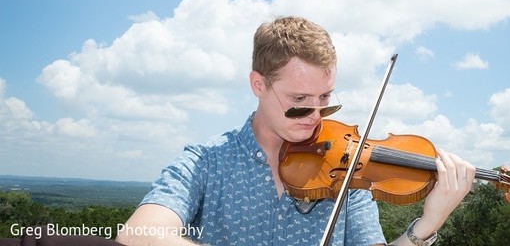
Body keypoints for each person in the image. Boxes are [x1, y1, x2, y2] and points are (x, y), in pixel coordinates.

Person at [116, 16, 475, 246]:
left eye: (326, 98)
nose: (316, 115)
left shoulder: (348, 172)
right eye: (300, 99)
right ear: (259, 84)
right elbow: (137, 233)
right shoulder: (206, 161)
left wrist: (427, 224)